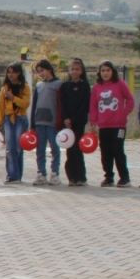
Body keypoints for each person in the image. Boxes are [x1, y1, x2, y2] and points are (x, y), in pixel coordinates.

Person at [88, 61, 135, 187]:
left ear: (112, 71)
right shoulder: (97, 87)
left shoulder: (120, 84)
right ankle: (109, 177)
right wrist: (93, 121)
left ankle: (125, 178)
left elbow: (130, 100)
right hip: (103, 126)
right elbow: (93, 105)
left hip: (119, 126)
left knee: (118, 150)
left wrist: (123, 113)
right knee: (105, 152)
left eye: (108, 70)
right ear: (99, 73)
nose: (105, 73)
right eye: (103, 70)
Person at [0, 64, 31, 184]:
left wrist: (13, 98)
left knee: (18, 148)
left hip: (20, 118)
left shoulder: (25, 87)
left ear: (19, 73)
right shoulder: (5, 88)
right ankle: (11, 175)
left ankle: (18, 175)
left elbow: (25, 103)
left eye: (13, 72)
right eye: (9, 72)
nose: (11, 75)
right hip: (8, 119)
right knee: (10, 148)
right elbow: (0, 106)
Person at [30, 60, 64, 186]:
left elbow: (61, 105)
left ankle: (55, 173)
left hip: (53, 123)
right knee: (40, 149)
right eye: (38, 72)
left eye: (42, 70)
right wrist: (32, 124)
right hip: (39, 122)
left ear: (49, 69)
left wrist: (61, 122)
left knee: (55, 148)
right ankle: (41, 174)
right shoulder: (39, 85)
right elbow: (34, 105)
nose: (41, 74)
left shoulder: (58, 84)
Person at [60, 59, 91, 187]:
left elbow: (85, 105)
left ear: (82, 71)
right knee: (69, 150)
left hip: (79, 122)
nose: (74, 71)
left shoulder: (85, 86)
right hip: (67, 124)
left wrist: (75, 119)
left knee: (78, 149)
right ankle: (71, 177)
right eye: (72, 69)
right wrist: (66, 118)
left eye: (77, 69)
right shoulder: (65, 86)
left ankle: (81, 177)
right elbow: (62, 104)